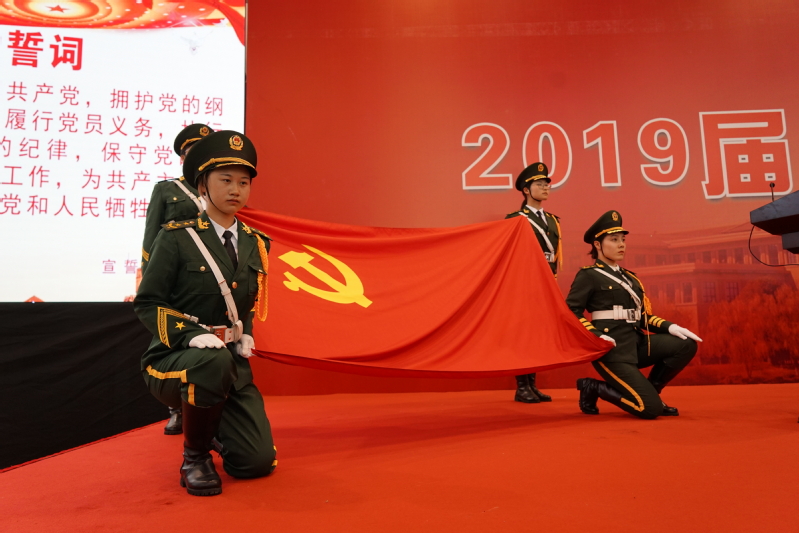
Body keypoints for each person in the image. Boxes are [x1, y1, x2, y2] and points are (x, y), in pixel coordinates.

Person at [134, 131, 276, 496]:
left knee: (255, 463)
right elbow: (148, 302)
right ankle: (194, 458)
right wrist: (189, 334)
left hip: (231, 366)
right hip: (177, 360)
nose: (235, 190)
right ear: (202, 185)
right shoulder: (176, 237)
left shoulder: (257, 243)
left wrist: (246, 332)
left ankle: (212, 426)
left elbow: (246, 302)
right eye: (225, 180)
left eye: (243, 182)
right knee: (210, 362)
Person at [567, 210, 702, 419]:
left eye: (623, 240)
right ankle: (593, 387)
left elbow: (641, 316)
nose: (621, 244)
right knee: (650, 410)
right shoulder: (589, 275)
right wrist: (596, 336)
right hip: (611, 351)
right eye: (614, 240)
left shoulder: (630, 279)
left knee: (686, 344)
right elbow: (571, 311)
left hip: (636, 345)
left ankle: (652, 392)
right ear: (597, 244)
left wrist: (670, 327)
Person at [141, 124, 213, 435]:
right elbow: (151, 239)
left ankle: (211, 402)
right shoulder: (166, 190)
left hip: (212, 276)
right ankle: (176, 407)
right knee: (174, 334)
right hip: (175, 276)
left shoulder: (221, 188)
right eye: (193, 153)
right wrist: (152, 278)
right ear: (183, 158)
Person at [505, 162, 561, 404]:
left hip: (545, 284)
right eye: (540, 184)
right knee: (523, 336)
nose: (546, 187)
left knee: (537, 336)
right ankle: (521, 387)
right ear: (526, 190)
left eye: (547, 184)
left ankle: (532, 385)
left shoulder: (553, 221)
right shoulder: (515, 219)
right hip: (524, 284)